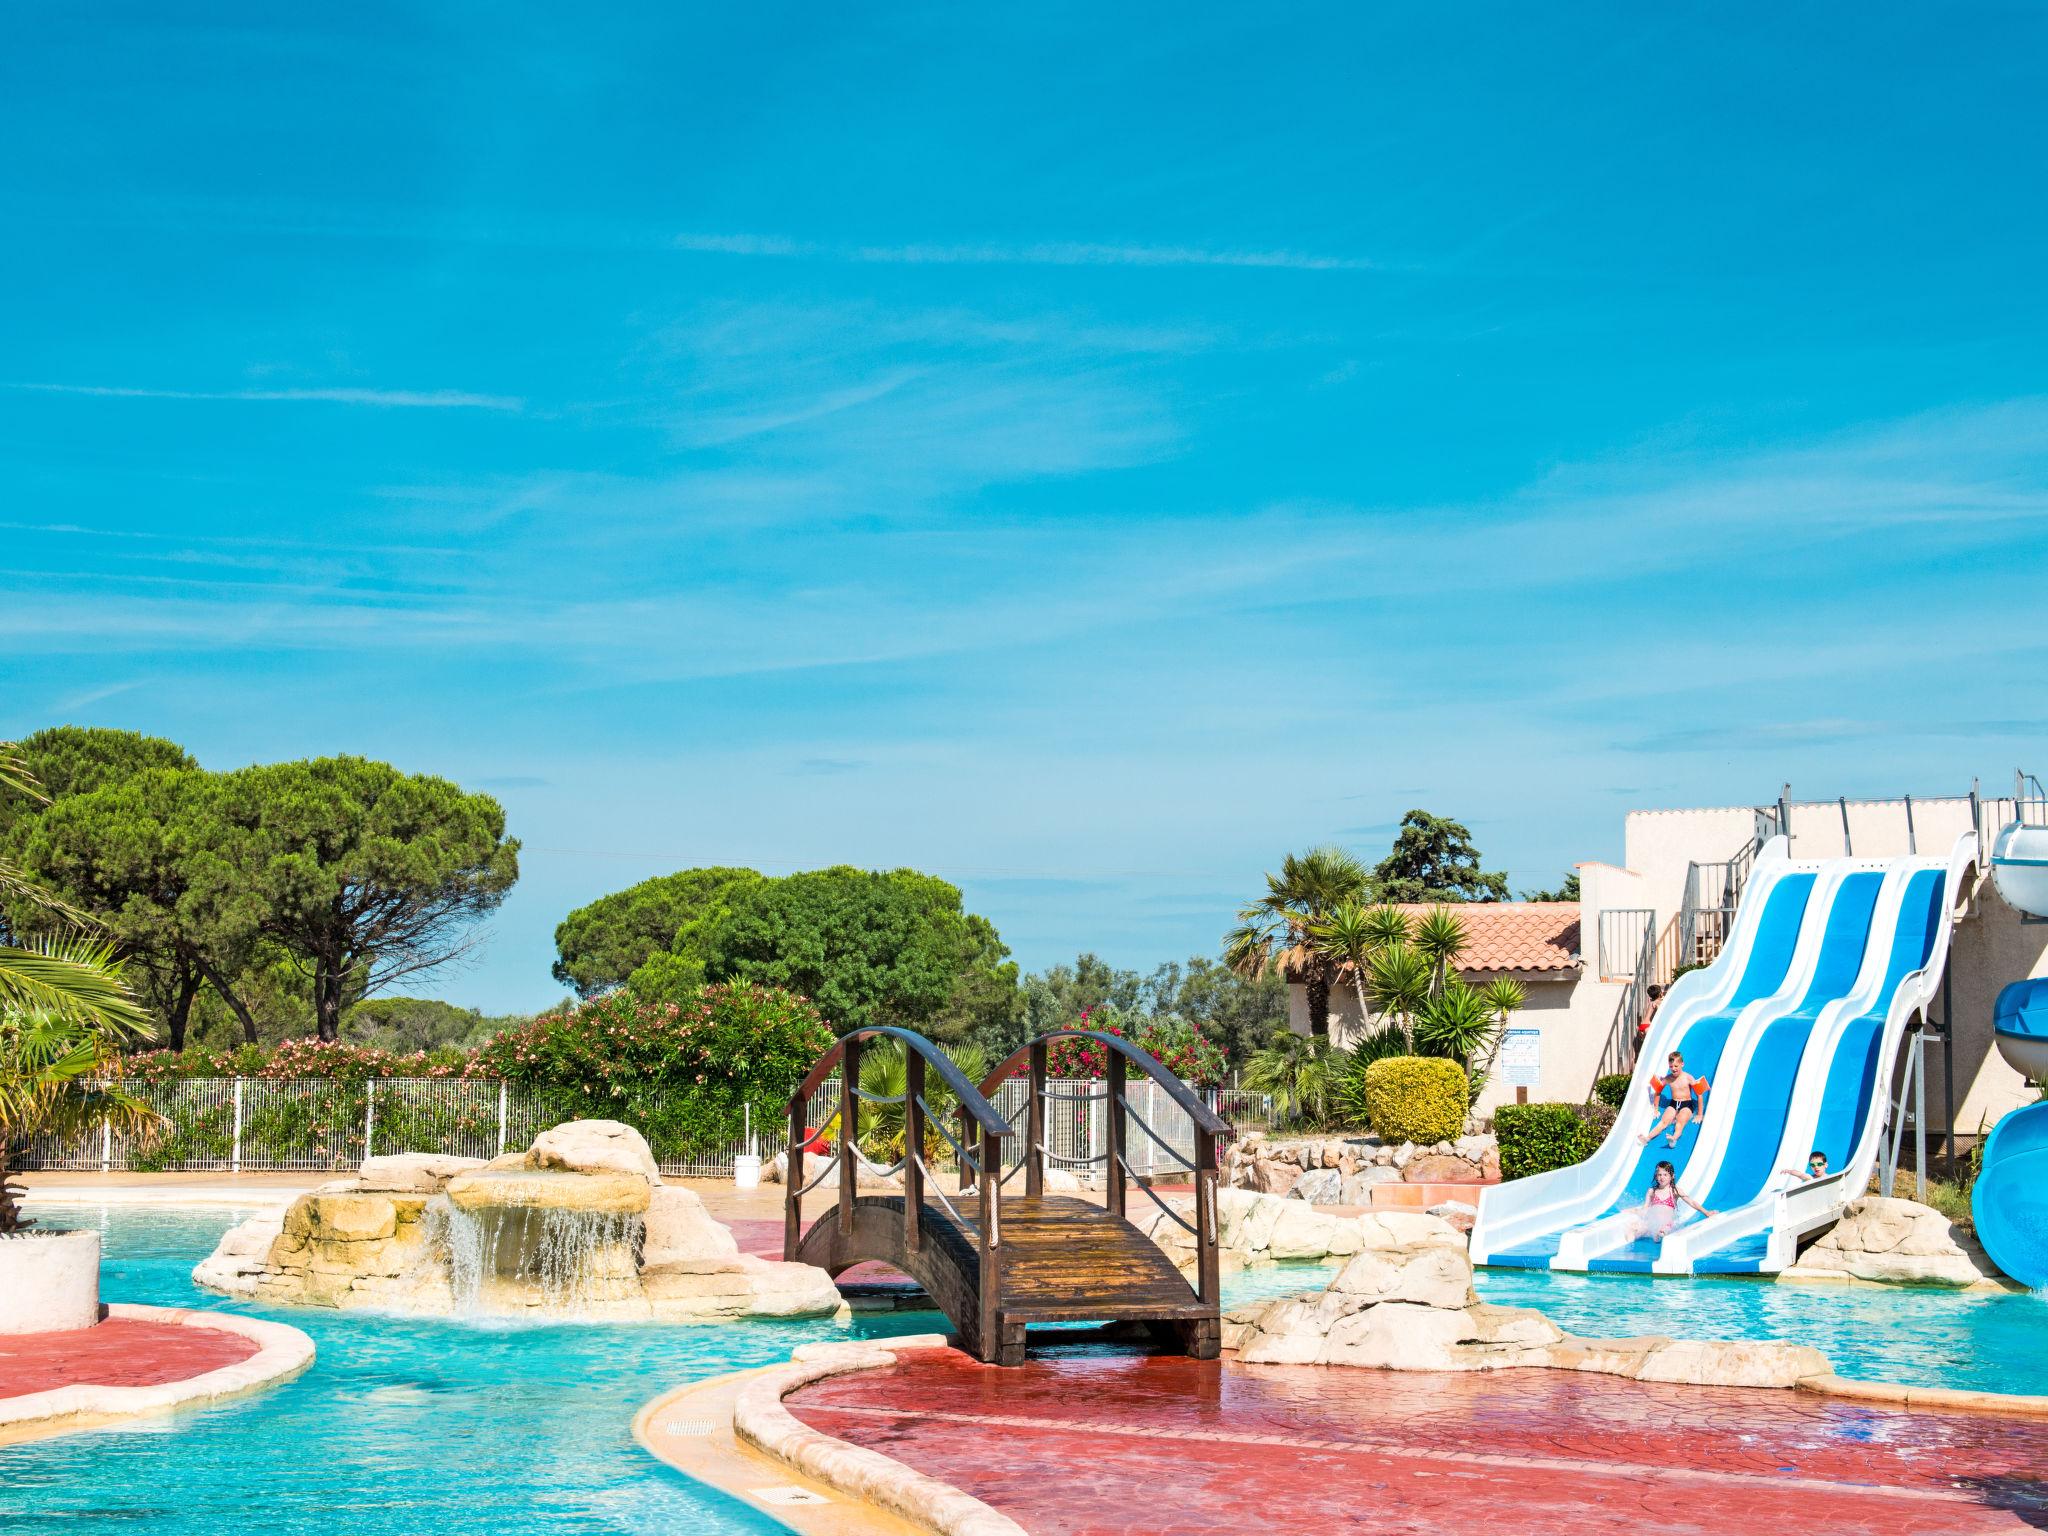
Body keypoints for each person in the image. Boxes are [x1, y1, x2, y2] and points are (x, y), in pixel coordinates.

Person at [1622, 1159, 1713, 1240]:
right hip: (1651, 1223)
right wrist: (1634, 1212)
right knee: (1634, 1231)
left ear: (1672, 1176)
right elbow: (1646, 1208)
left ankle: (1657, 1236)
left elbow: (1692, 1202)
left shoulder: (1675, 1191)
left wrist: (1706, 1212)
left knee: (1662, 1233)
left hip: (1667, 1225)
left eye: (1665, 1175)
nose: (1662, 1177)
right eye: (1659, 1175)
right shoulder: (1652, 1191)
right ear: (1656, 1176)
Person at [1639, 1050, 1704, 1147]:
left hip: (1687, 1105)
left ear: (1682, 1064)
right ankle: (1647, 1138)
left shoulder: (1688, 1078)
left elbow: (1699, 1095)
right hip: (1673, 1104)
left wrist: (1699, 1114)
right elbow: (1658, 1091)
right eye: (1671, 1066)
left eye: (1676, 1066)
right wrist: (1656, 1109)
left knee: (1680, 1122)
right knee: (1663, 1122)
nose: (1673, 1069)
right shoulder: (1668, 1078)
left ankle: (1673, 1139)